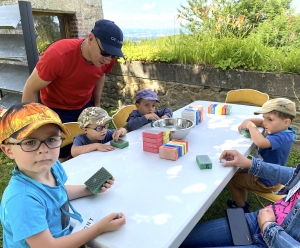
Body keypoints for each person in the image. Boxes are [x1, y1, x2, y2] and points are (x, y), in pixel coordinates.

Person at [0, 102, 126, 247]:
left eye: (51, 140)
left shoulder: (53, 167)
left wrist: (88, 189)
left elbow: (58, 192)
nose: (44, 149)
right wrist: (99, 228)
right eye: (30, 142)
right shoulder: (22, 200)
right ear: (8, 150)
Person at [22, 19, 123, 159]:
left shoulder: (106, 59)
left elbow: (100, 75)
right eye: (105, 53)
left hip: (85, 105)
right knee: (61, 153)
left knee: (91, 146)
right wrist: (33, 126)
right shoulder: (58, 55)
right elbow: (30, 88)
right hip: (57, 109)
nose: (108, 60)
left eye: (113, 55)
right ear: (91, 38)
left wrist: (97, 103)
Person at [180, 149, 300, 248]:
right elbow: (294, 175)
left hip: (272, 237)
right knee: (180, 240)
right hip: (259, 219)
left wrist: (268, 226)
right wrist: (250, 163)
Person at [227, 98, 296, 212]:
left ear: (286, 122)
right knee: (237, 173)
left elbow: (261, 143)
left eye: (269, 119)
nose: (265, 123)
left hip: (265, 181)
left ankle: (242, 210)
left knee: (232, 180)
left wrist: (251, 126)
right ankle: (242, 202)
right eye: (264, 117)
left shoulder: (281, 137)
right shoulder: (283, 130)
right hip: (266, 172)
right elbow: (262, 123)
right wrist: (249, 121)